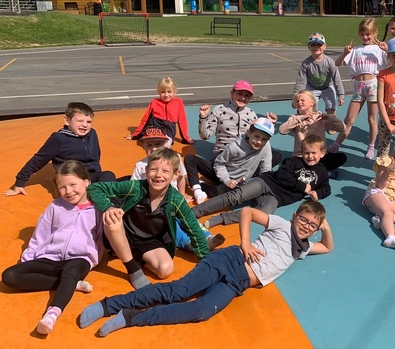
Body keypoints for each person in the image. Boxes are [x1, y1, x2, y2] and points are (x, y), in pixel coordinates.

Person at [78, 201, 333, 337]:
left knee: (201, 311)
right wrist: (245, 242)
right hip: (230, 260)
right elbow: (247, 211)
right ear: (294, 216)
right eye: (303, 219)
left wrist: (325, 227)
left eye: (312, 225)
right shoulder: (280, 224)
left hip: (237, 283)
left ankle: (130, 318)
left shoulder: (303, 247)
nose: (306, 226)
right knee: (178, 291)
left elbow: (327, 247)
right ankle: (107, 305)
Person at [2, 161, 102, 335]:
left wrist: (92, 259)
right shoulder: (55, 207)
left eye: (73, 184)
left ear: (86, 182)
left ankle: (51, 315)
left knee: (71, 271)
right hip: (50, 257)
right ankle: (71, 284)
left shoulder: (98, 209)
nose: (68, 191)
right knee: (9, 276)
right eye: (62, 187)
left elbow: (100, 238)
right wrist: (28, 261)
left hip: (79, 259)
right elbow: (40, 235)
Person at [88, 148, 210, 289]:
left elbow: (193, 229)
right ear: (146, 171)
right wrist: (108, 207)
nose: (158, 175)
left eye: (165, 171)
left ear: (175, 175)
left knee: (165, 269)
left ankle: (123, 252)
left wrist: (207, 262)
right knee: (113, 222)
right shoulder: (135, 187)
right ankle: (132, 268)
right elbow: (95, 188)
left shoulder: (176, 200)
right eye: (153, 169)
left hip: (149, 241)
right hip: (124, 233)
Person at [193, 135, 331, 228]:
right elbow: (282, 174)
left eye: (313, 153)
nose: (310, 156)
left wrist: (318, 193)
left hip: (278, 198)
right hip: (267, 183)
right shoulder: (294, 161)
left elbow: (326, 188)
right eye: (306, 153)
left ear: (322, 153)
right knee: (236, 196)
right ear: (302, 152)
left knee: (263, 213)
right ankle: (196, 211)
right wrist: (302, 186)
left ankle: (222, 218)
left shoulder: (322, 172)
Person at [129, 127, 225, 252]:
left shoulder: (175, 158)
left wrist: (182, 194)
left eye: (157, 144)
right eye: (149, 145)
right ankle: (188, 243)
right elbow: (133, 188)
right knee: (171, 223)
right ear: (142, 145)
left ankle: (208, 237)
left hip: (174, 199)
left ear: (165, 143)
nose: (154, 149)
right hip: (155, 206)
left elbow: (181, 177)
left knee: (188, 218)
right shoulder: (140, 166)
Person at [184, 80, 280, 203]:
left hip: (245, 157)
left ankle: (239, 178)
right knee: (192, 160)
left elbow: (259, 136)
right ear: (232, 93)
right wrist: (203, 117)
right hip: (222, 156)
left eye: (247, 95)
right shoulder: (220, 110)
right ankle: (204, 184)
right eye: (239, 94)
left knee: (276, 156)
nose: (243, 98)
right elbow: (205, 136)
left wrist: (268, 124)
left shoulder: (251, 114)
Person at [3, 102, 116, 197]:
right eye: (80, 121)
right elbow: (38, 160)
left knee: (114, 179)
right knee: (108, 183)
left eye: (88, 122)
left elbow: (95, 157)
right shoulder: (59, 139)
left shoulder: (92, 134)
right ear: (67, 121)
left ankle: (104, 200)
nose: (85, 125)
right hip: (71, 180)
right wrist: (19, 183)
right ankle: (105, 205)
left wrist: (96, 176)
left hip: (89, 179)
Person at [329, 17, 389, 159]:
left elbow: (391, 63)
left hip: (373, 85)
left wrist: (386, 51)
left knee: (372, 119)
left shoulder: (378, 49)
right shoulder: (355, 50)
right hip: (358, 87)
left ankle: (371, 146)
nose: (365, 37)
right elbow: (337, 63)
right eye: (362, 34)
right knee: (349, 119)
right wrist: (345, 52)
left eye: (368, 34)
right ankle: (336, 145)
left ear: (375, 33)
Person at [278, 90, 347, 177]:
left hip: (319, 156)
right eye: (297, 101)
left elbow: (342, 128)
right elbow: (282, 130)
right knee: (287, 162)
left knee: (342, 157)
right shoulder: (295, 118)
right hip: (301, 156)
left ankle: (311, 171)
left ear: (312, 102)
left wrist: (329, 117)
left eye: (302, 100)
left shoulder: (320, 118)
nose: (299, 102)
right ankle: (321, 172)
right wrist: (302, 118)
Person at [127, 76, 194, 145]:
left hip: (168, 132)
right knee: (150, 143)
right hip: (154, 129)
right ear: (159, 92)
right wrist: (135, 135)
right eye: (163, 92)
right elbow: (145, 119)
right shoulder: (154, 102)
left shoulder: (178, 102)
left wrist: (186, 139)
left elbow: (182, 121)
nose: (166, 95)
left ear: (174, 92)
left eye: (169, 92)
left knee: (164, 145)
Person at [294, 32, 345, 116]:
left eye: (319, 45)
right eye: (313, 45)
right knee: (310, 108)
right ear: (309, 47)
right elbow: (300, 82)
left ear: (324, 46)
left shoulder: (330, 62)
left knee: (331, 107)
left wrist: (341, 95)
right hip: (312, 88)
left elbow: (337, 79)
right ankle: (311, 121)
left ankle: (330, 122)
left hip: (328, 87)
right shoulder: (306, 64)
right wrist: (297, 97)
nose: (316, 47)